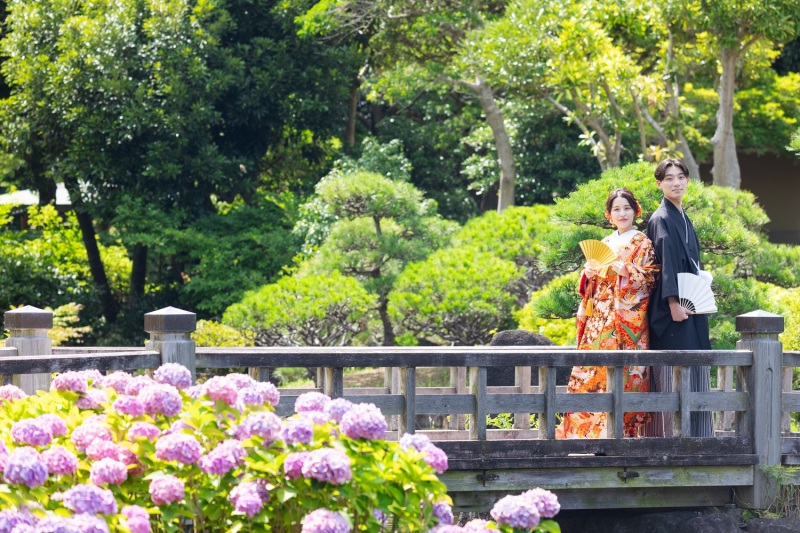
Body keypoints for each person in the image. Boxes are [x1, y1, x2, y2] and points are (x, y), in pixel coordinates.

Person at [556, 188, 658, 439]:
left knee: (623, 372)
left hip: (625, 319)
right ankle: (586, 432)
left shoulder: (642, 242)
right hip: (598, 320)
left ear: (636, 211)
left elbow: (651, 277)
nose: (622, 213)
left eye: (627, 208)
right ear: (608, 215)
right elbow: (588, 288)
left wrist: (626, 271)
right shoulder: (604, 243)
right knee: (591, 372)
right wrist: (587, 276)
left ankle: (618, 433)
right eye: (616, 209)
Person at [642, 158, 713, 438]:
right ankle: (668, 440)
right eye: (669, 178)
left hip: (690, 305)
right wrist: (673, 304)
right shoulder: (660, 218)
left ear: (687, 180)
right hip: (672, 310)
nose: (676, 183)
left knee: (696, 367)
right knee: (673, 374)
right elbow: (666, 264)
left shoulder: (684, 217)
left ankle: (700, 437)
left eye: (681, 177)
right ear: (659, 184)